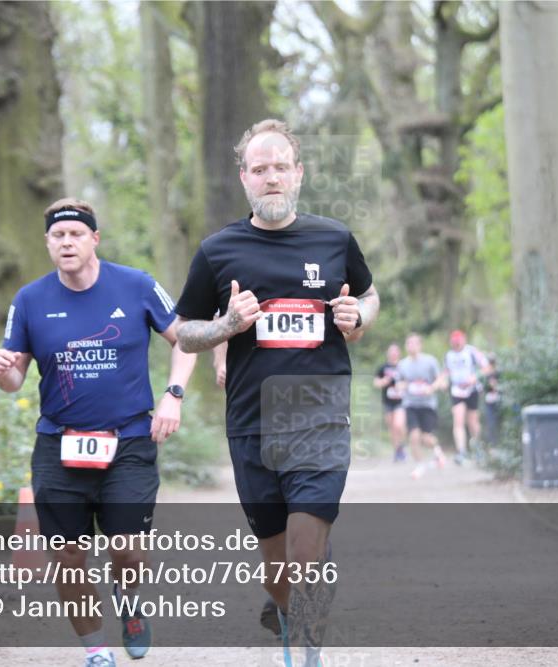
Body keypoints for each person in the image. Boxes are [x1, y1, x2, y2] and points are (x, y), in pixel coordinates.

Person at [173, 119, 379, 667]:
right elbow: (182, 331)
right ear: (244, 179)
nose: (270, 178)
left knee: (306, 551)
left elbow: (369, 295)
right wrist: (224, 327)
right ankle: (289, 609)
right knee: (278, 565)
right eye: (259, 170)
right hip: (252, 423)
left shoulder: (333, 238)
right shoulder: (218, 252)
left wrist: (359, 313)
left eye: (279, 168)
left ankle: (305, 652)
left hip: (320, 418)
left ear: (298, 175)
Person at [0, 198, 197, 667]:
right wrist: (1, 370)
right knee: (67, 559)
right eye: (58, 236)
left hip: (128, 440)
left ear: (94, 239)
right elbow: (13, 379)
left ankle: (130, 604)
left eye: (76, 234)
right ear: (47, 244)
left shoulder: (136, 285)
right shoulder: (29, 300)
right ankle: (96, 650)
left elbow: (186, 338)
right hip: (58, 445)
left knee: (127, 550)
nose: (67, 243)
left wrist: (174, 395)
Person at [395, 333, 447, 479]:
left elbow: (440, 379)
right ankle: (419, 464)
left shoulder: (430, 361)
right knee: (413, 436)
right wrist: (402, 386)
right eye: (408, 343)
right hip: (410, 404)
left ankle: (437, 451)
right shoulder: (402, 364)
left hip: (427, 404)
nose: (411, 346)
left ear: (420, 345)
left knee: (426, 437)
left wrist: (431, 388)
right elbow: (398, 383)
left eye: (414, 343)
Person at [442, 329, 491, 465]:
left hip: (472, 390)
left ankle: (477, 447)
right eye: (454, 343)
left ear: (464, 340)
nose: (457, 345)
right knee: (458, 420)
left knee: (473, 421)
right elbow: (446, 372)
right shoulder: (448, 355)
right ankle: (461, 451)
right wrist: (443, 382)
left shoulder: (472, 352)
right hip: (456, 391)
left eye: (459, 342)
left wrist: (475, 377)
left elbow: (487, 368)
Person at [373, 343, 406, 462]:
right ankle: (397, 450)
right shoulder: (383, 368)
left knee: (399, 425)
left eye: (395, 351)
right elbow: (376, 383)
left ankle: (402, 445)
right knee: (392, 427)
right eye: (391, 351)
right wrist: (384, 381)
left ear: (399, 353)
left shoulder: (403, 367)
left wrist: (401, 386)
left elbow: (408, 382)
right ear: (388, 353)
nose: (393, 354)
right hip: (387, 402)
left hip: (401, 401)